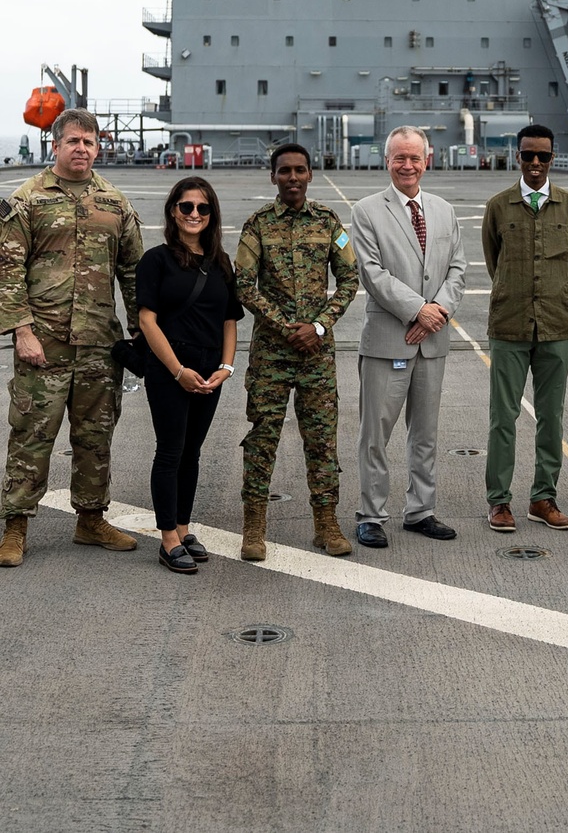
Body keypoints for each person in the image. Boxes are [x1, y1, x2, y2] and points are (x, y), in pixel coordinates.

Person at [0, 108, 143, 568]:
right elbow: (7, 272)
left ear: (99, 147)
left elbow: (134, 274)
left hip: (100, 344)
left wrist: (142, 333)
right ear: (55, 145)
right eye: (73, 141)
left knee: (95, 436)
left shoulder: (115, 203)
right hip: (43, 344)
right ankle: (15, 526)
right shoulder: (28, 199)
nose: (81, 148)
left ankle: (90, 519)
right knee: (31, 436)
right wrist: (22, 330)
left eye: (89, 141)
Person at [235, 143, 359, 562]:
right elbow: (244, 285)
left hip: (317, 354)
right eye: (284, 170)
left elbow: (349, 279)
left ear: (310, 175)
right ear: (273, 176)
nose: (292, 177)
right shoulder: (257, 226)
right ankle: (254, 527)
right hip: (272, 353)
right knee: (262, 437)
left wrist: (319, 326)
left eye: (299, 170)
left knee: (322, 440)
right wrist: (288, 328)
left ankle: (326, 524)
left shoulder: (328, 222)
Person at [351, 126, 467, 548]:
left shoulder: (443, 210)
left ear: (427, 160)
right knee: (375, 434)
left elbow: (457, 268)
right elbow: (372, 273)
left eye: (414, 157)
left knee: (426, 433)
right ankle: (372, 514)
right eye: (399, 158)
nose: (407, 165)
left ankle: (421, 510)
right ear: (387, 161)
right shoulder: (366, 210)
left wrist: (437, 314)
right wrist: (419, 310)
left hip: (431, 343)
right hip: (387, 341)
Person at [137, 177, 243, 573]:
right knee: (170, 451)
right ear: (172, 212)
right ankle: (167, 539)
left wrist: (226, 367)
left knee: (192, 453)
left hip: (209, 374)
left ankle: (182, 528)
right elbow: (147, 321)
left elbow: (230, 319)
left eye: (202, 208)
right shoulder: (156, 260)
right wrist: (178, 370)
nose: (194, 214)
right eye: (186, 207)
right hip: (169, 371)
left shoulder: (220, 262)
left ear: (212, 214)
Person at [482, 125, 568, 532]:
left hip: (557, 324)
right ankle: (499, 502)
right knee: (502, 418)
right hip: (509, 324)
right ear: (517, 156)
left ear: (552, 158)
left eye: (543, 156)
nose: (536, 164)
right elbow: (494, 261)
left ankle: (543, 498)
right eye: (528, 156)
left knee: (551, 417)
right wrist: (517, 293)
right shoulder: (498, 206)